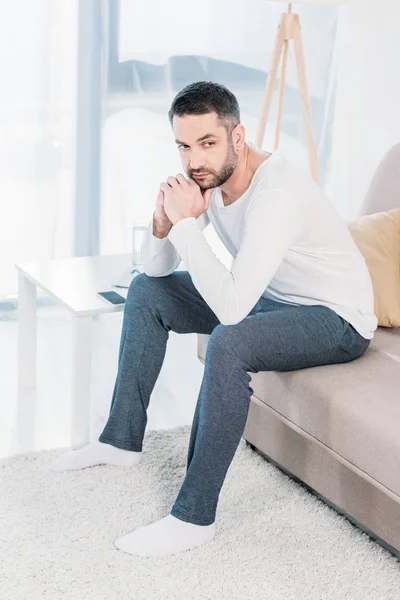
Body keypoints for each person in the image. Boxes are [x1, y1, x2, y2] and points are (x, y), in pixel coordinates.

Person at [51, 81, 378, 557]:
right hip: (270, 298)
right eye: (184, 146)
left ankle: (193, 517)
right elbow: (157, 270)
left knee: (230, 341)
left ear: (238, 138)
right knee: (147, 292)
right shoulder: (209, 181)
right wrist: (164, 222)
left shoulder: (275, 194)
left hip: (336, 320)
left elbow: (231, 312)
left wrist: (186, 225)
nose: (194, 160)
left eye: (207, 143)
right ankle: (120, 440)